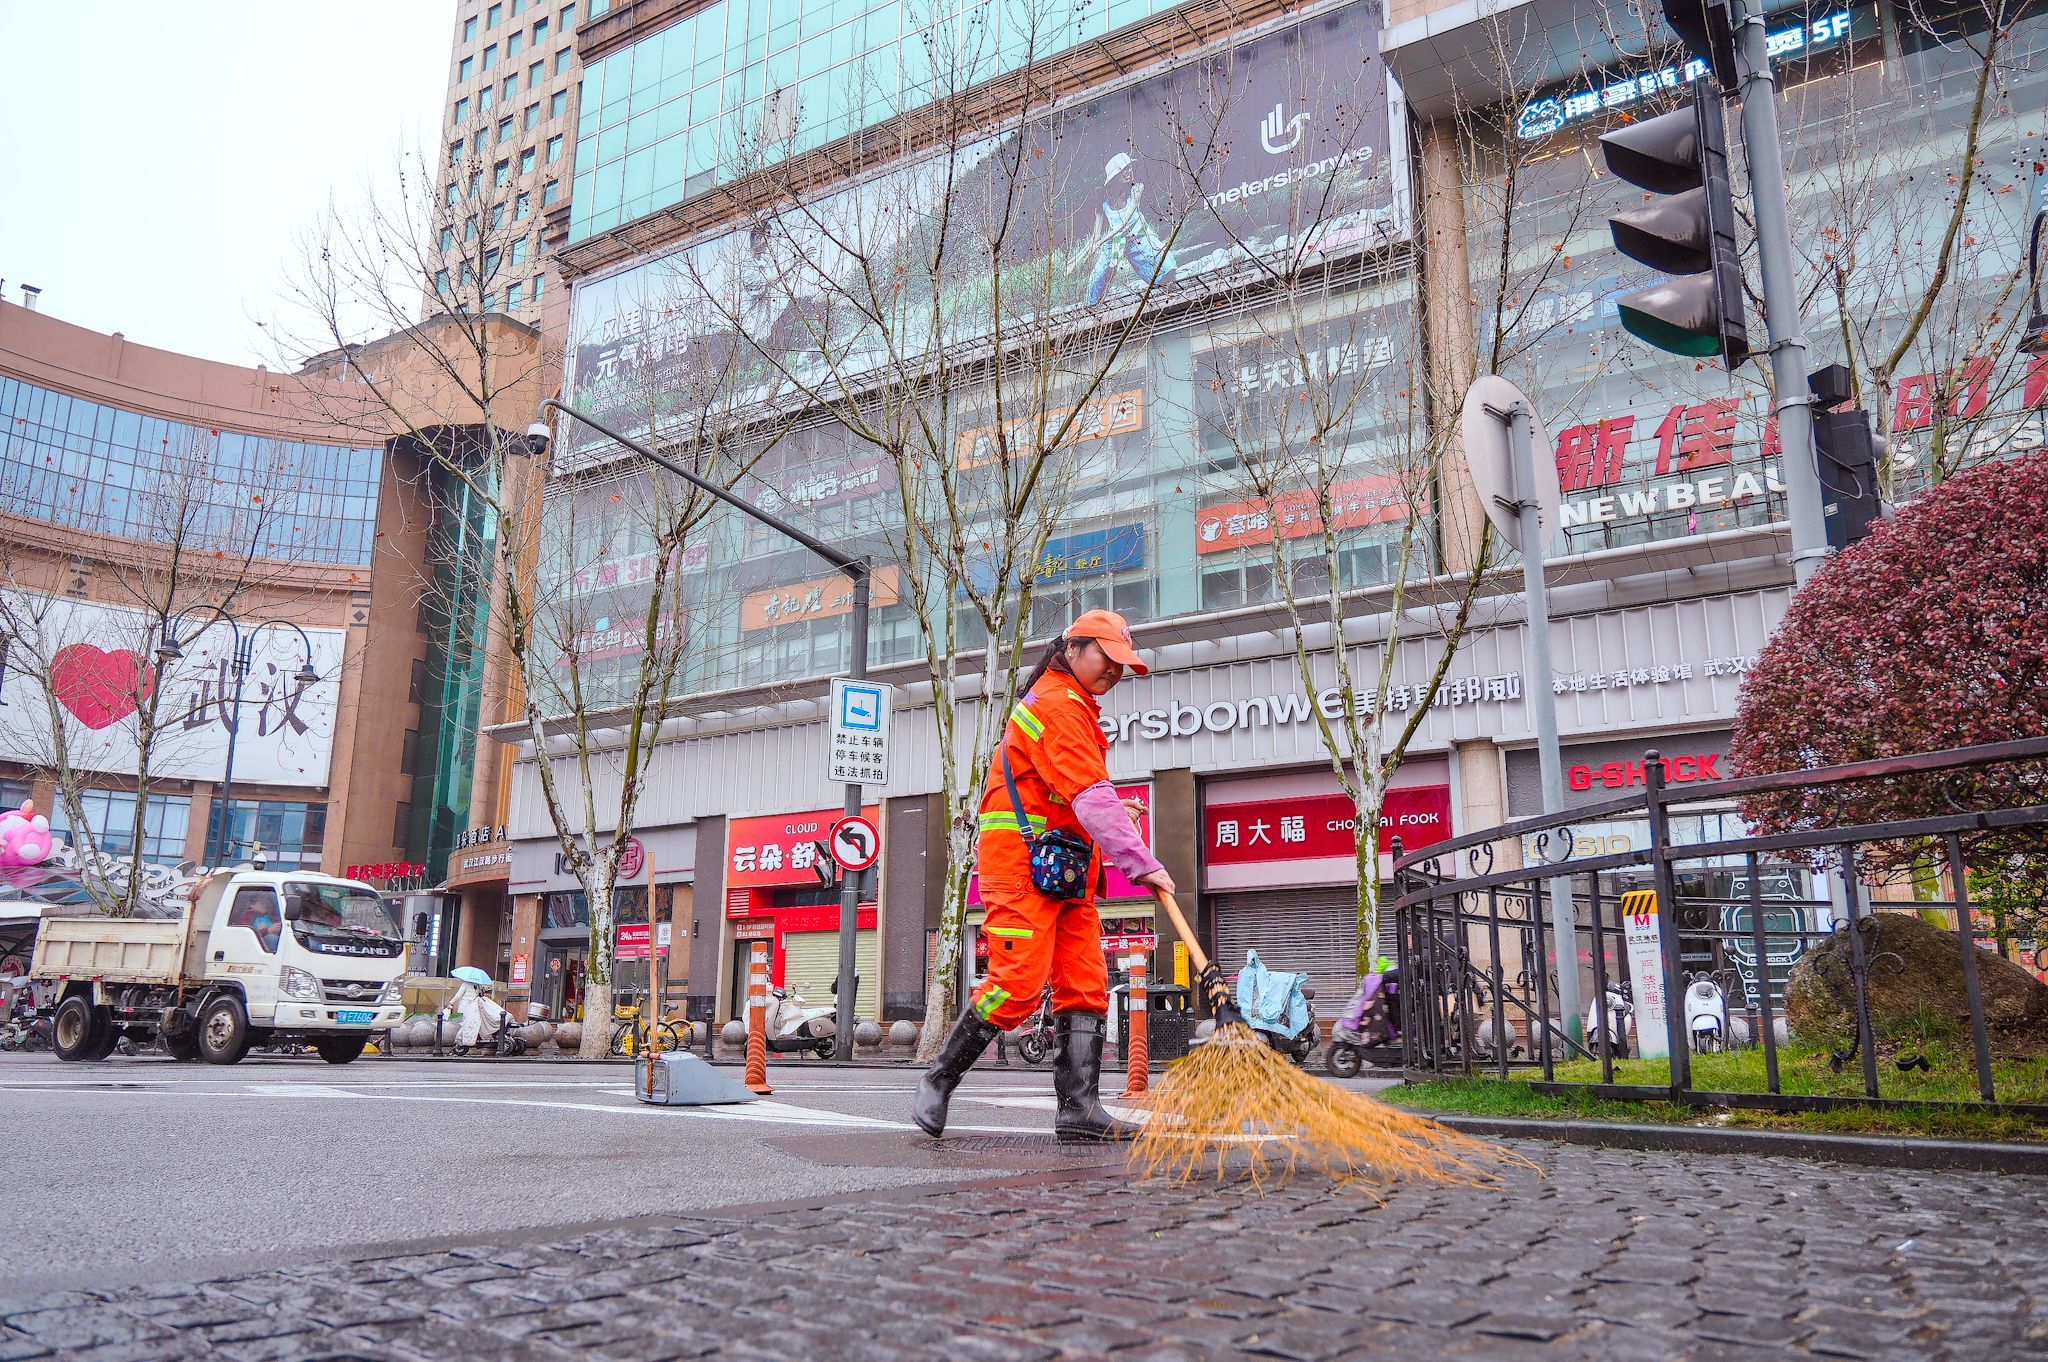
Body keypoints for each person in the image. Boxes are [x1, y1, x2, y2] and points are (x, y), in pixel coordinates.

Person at [914, 609, 1173, 1142]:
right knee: (1018, 986)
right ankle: (939, 1077)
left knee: (1085, 984)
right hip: (1022, 863)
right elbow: (1088, 794)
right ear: (1073, 649)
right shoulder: (1058, 705)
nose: (1115, 673)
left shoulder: (1075, 706)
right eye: (1109, 659)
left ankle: (1079, 1111)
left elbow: (1067, 793)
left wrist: (1113, 816)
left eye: (1123, 666)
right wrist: (1140, 861)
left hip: (1065, 864)